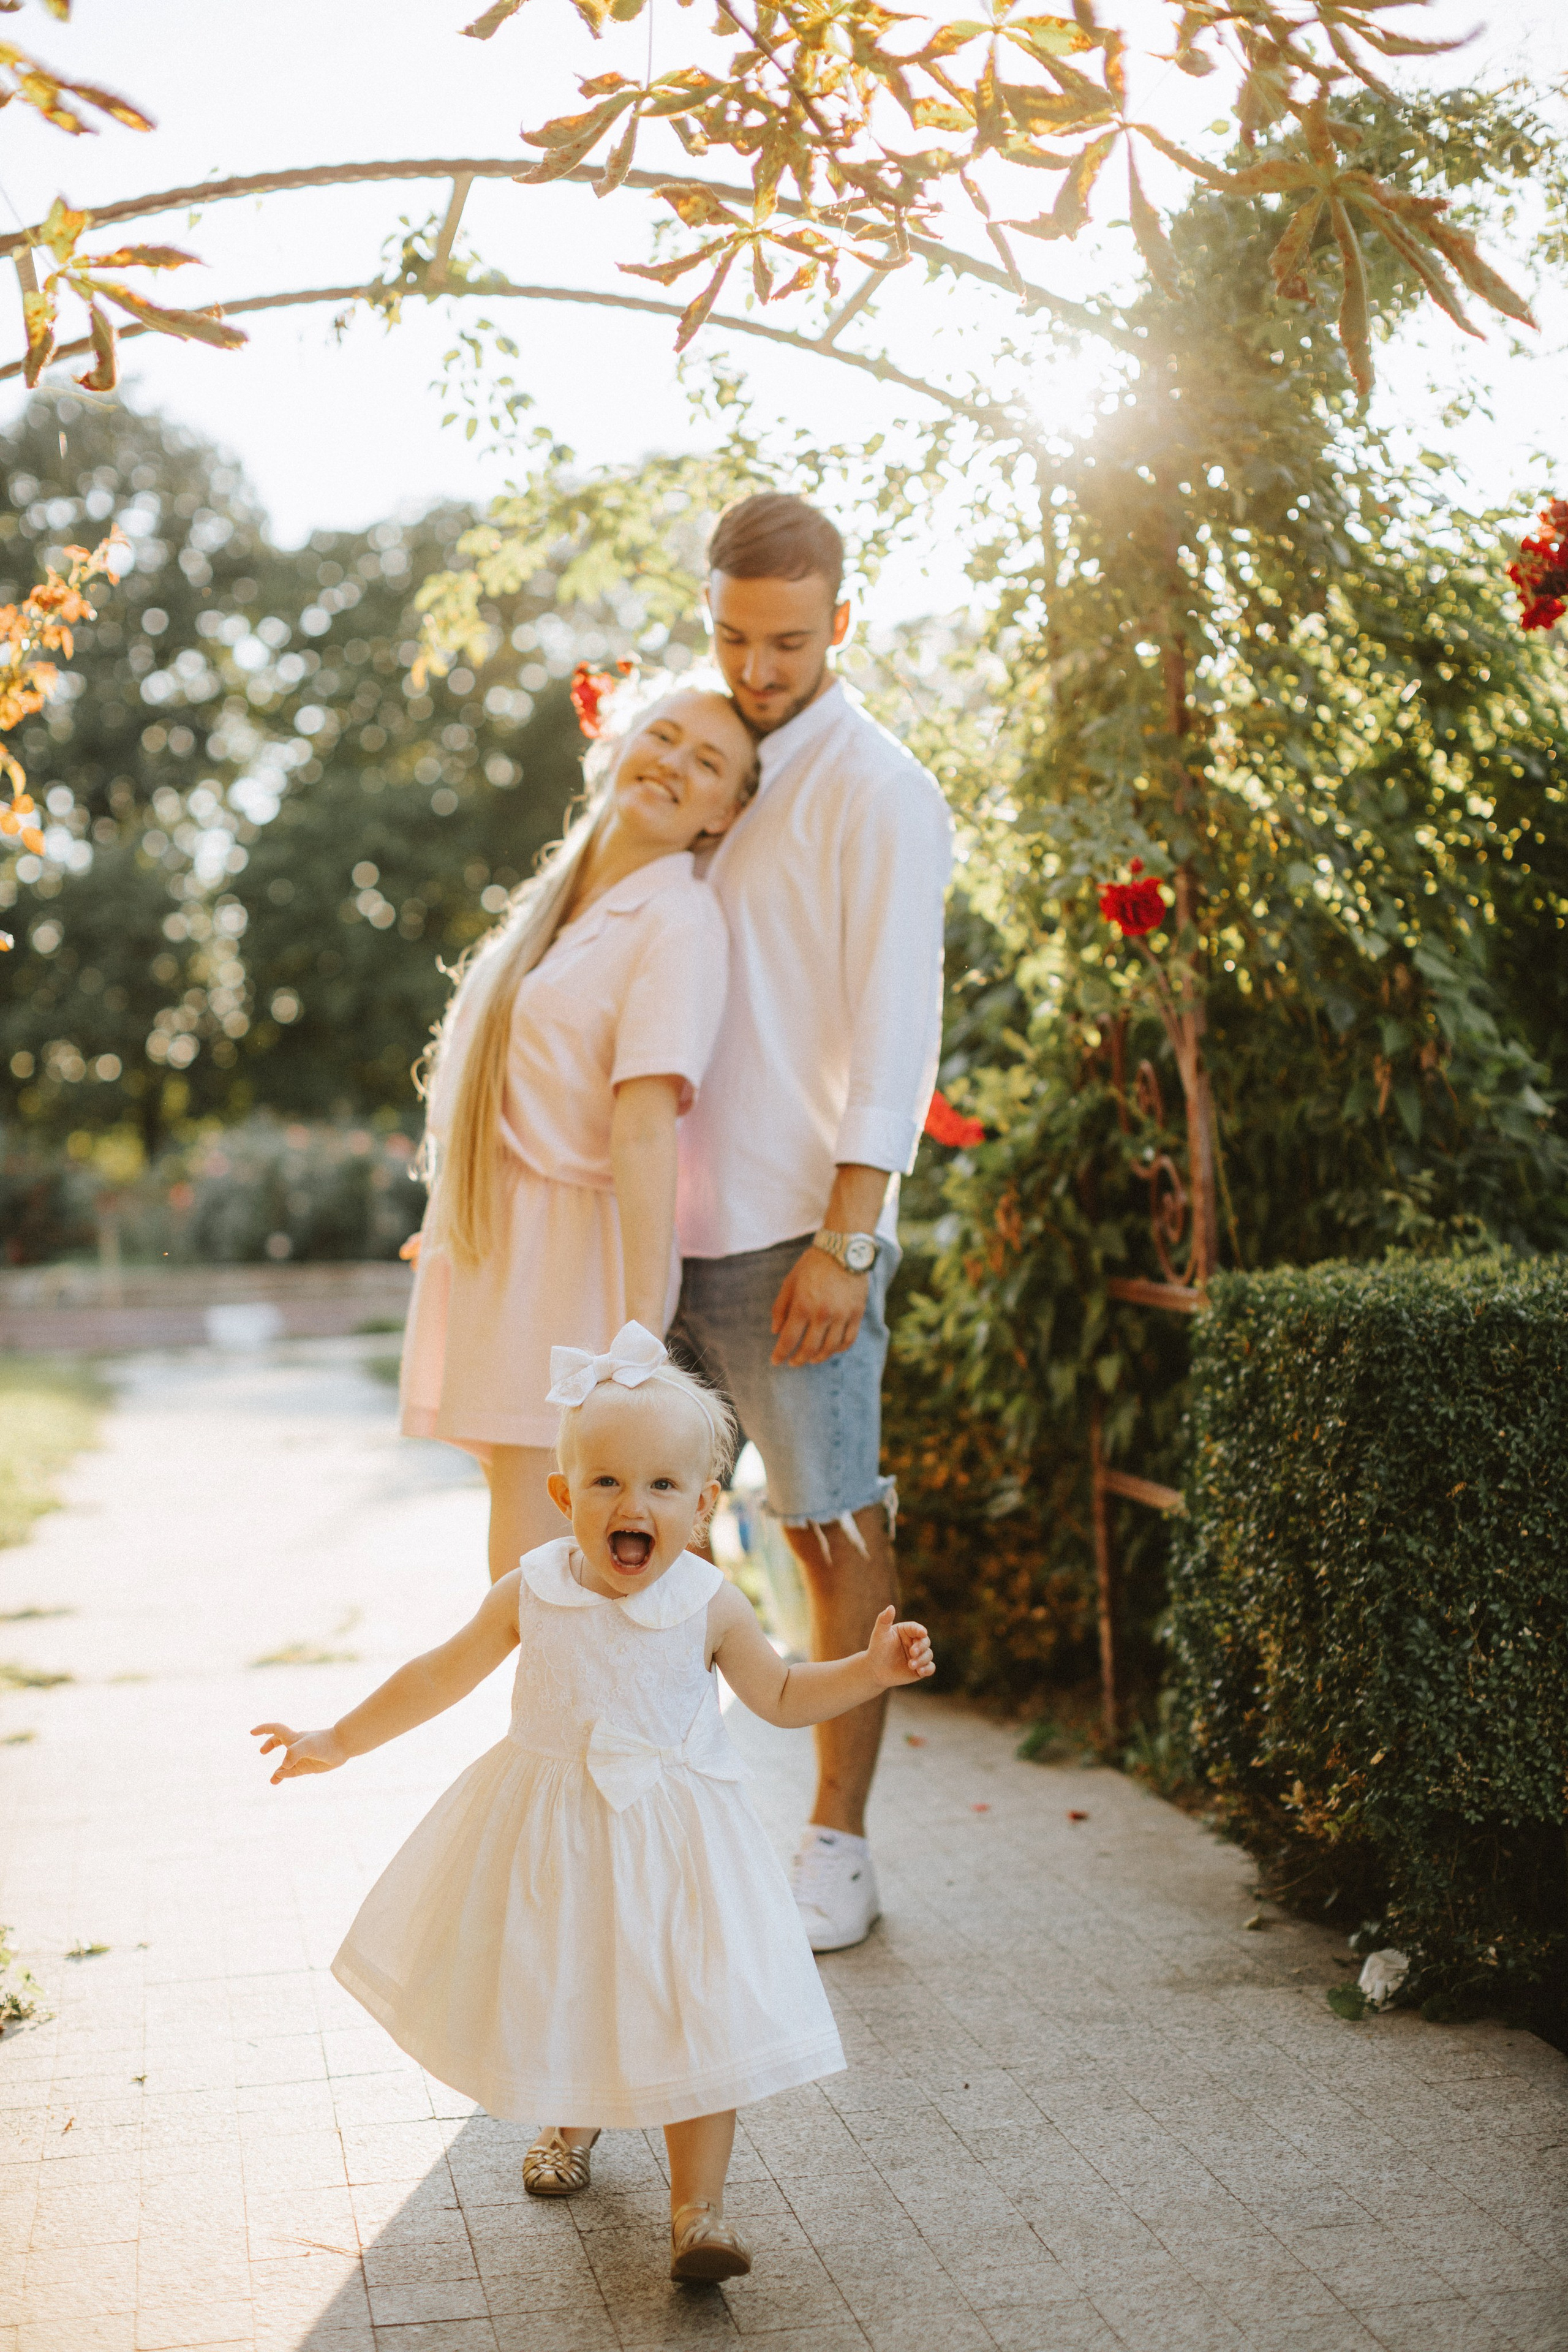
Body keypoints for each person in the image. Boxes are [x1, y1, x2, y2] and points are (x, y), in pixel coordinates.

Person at [252, 1327, 935, 2283]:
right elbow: (438, 1676)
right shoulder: (530, 1591)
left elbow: (780, 1698)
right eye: (607, 1482)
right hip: (558, 1839)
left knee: (701, 2013)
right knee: (570, 1983)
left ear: (701, 1507)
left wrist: (865, 1671)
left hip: (681, 1845)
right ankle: (568, 2126)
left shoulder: (711, 1604)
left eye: (662, 1486)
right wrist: (337, 1738)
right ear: (565, 1498)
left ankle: (698, 2213)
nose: (633, 1504)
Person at [671, 492, 954, 1953]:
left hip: (797, 1233)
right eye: (730, 635)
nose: (757, 666)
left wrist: (848, 1242)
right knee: (656, 1533)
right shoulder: (703, 761)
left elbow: (895, 1028)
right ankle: (683, 1814)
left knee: (833, 1529)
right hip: (655, 1231)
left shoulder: (879, 789)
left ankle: (835, 1844)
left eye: (786, 640)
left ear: (841, 620)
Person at [399, 684, 756, 1581]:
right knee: (530, 1563)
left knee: (557, 1570)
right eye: (664, 735)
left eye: (707, 762)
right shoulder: (557, 908)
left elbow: (643, 1130)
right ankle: (560, 1726)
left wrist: (639, 1335)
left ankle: (614, 1727)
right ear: (621, 742)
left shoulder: (678, 922)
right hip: (501, 1250)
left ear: (726, 812)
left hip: (573, 1269)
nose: (675, 762)